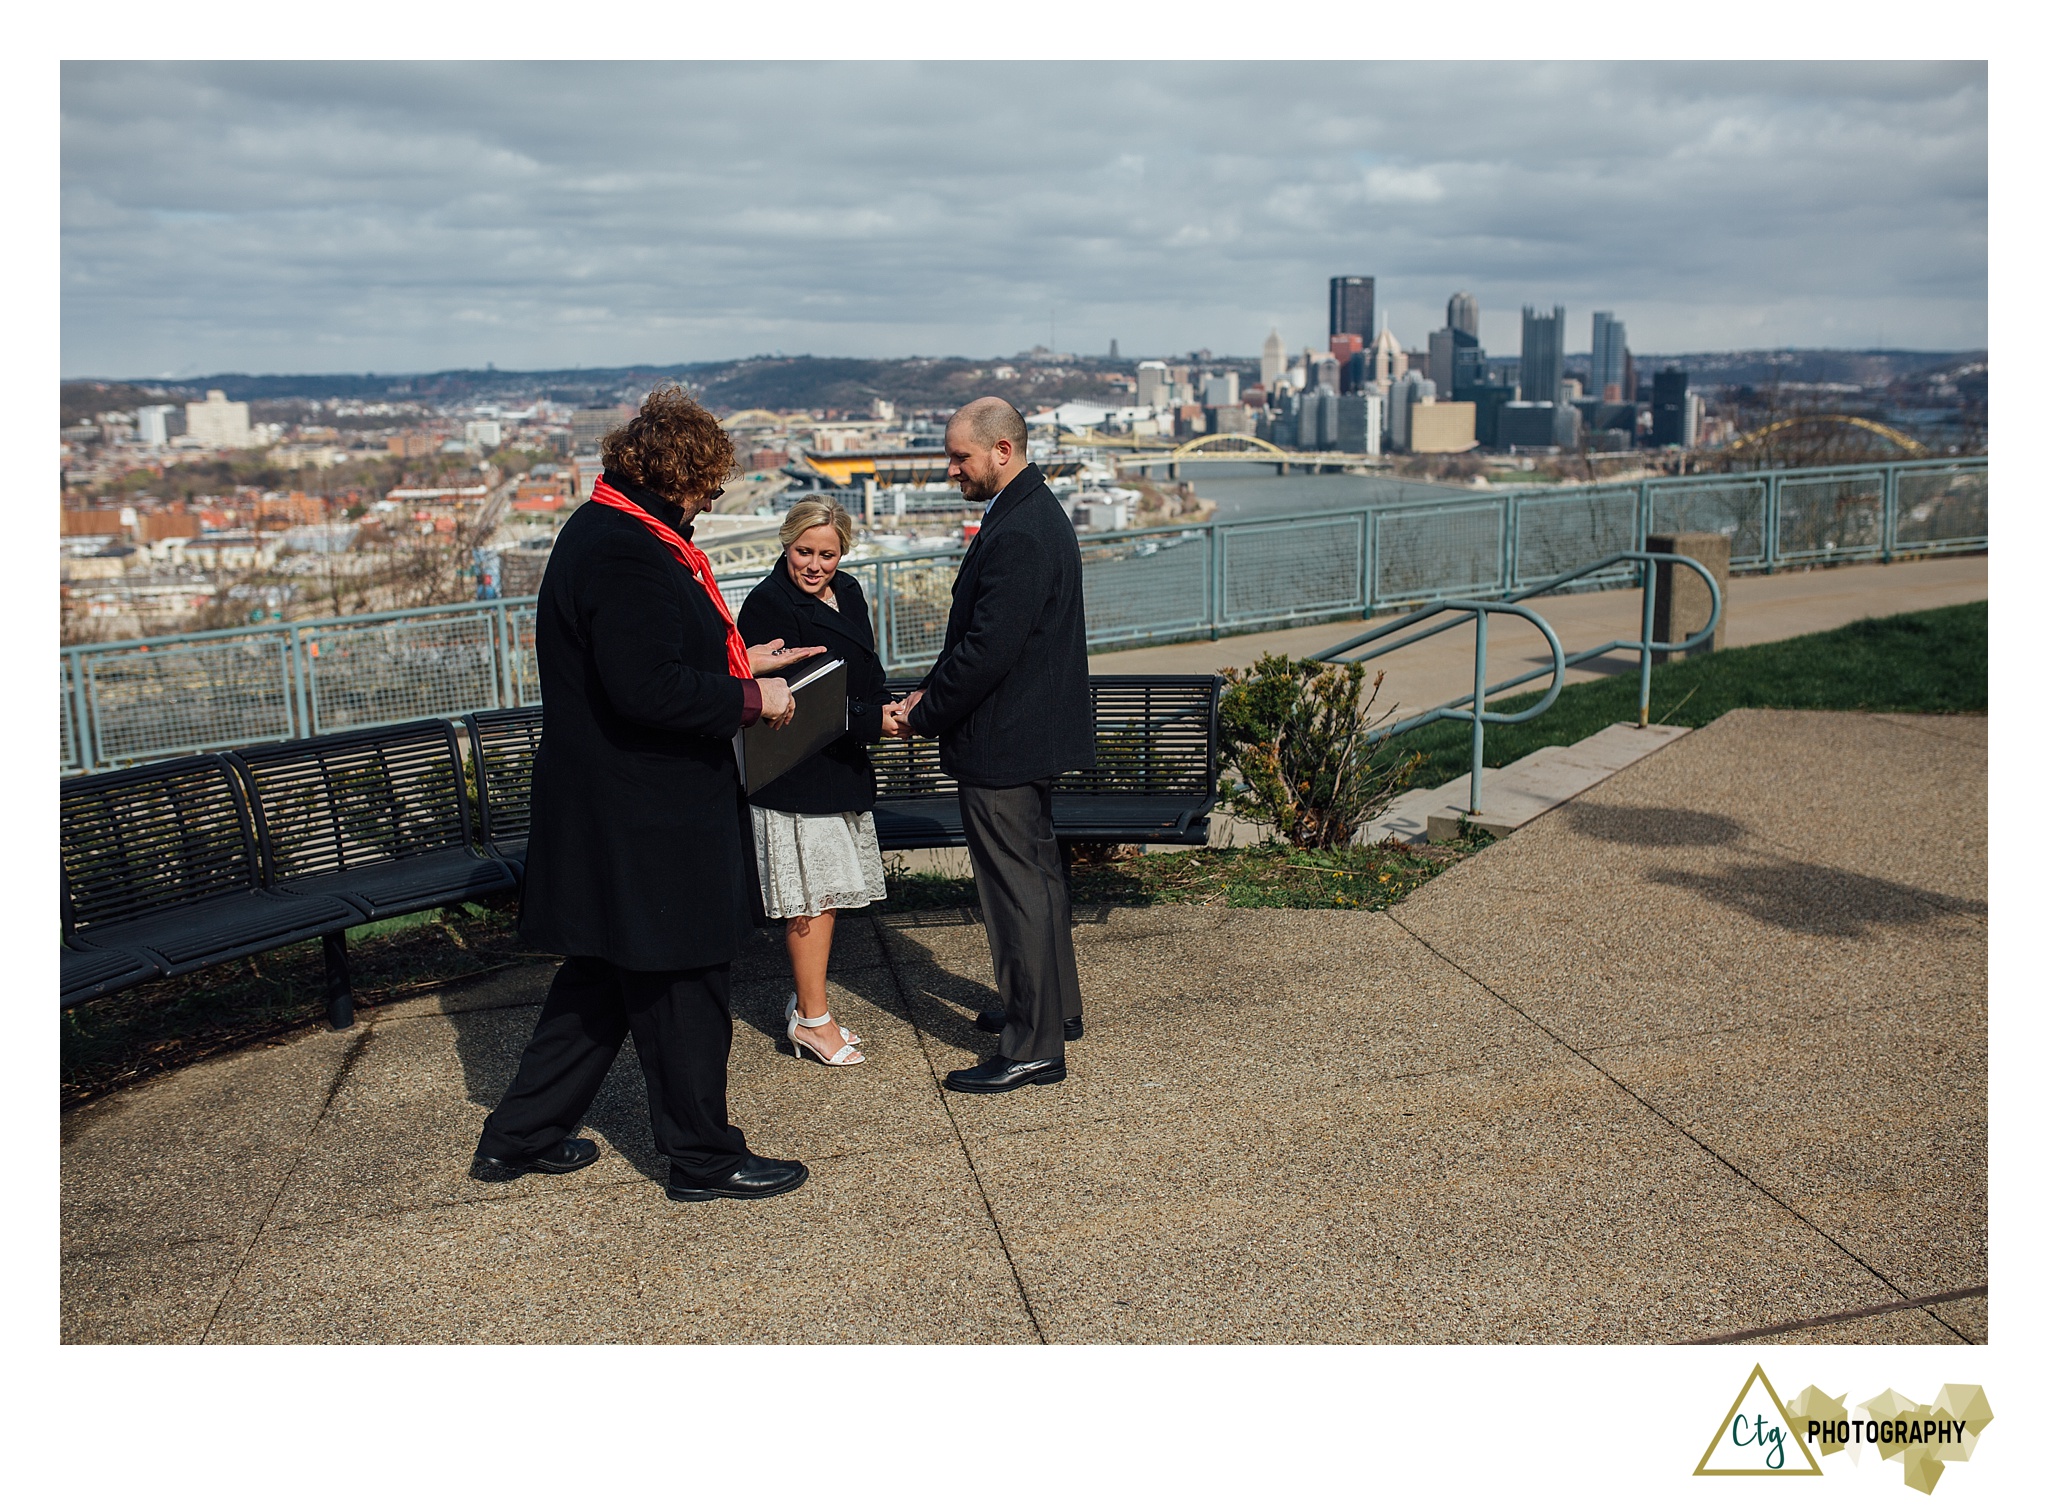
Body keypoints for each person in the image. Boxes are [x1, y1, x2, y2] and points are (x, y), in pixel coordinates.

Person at [471, 384, 824, 1203]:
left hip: (613, 808)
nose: (712, 499)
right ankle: (703, 1159)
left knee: (600, 980)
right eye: (708, 484)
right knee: (684, 984)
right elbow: (647, 687)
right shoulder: (629, 550)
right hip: (649, 814)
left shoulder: (606, 530)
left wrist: (742, 664)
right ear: (678, 475)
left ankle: (517, 1137)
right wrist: (751, 699)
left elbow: (646, 665)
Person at [883, 397, 1094, 1093]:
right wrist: (930, 696)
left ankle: (1031, 1043)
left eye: (960, 457)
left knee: (1013, 889)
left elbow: (984, 651)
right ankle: (1050, 1009)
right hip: (1024, 731)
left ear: (1002, 449)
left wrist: (924, 712)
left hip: (1004, 739)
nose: (951, 470)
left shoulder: (1021, 530)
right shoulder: (1030, 512)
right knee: (1035, 878)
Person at [737, 498, 889, 1067]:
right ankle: (812, 1019)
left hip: (838, 762)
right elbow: (796, 704)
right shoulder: (767, 605)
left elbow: (863, 671)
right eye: (804, 552)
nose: (815, 565)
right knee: (814, 898)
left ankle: (809, 1010)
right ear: (785, 544)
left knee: (822, 896)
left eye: (828, 554)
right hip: (797, 771)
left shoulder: (848, 590)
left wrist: (881, 709)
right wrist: (876, 718)